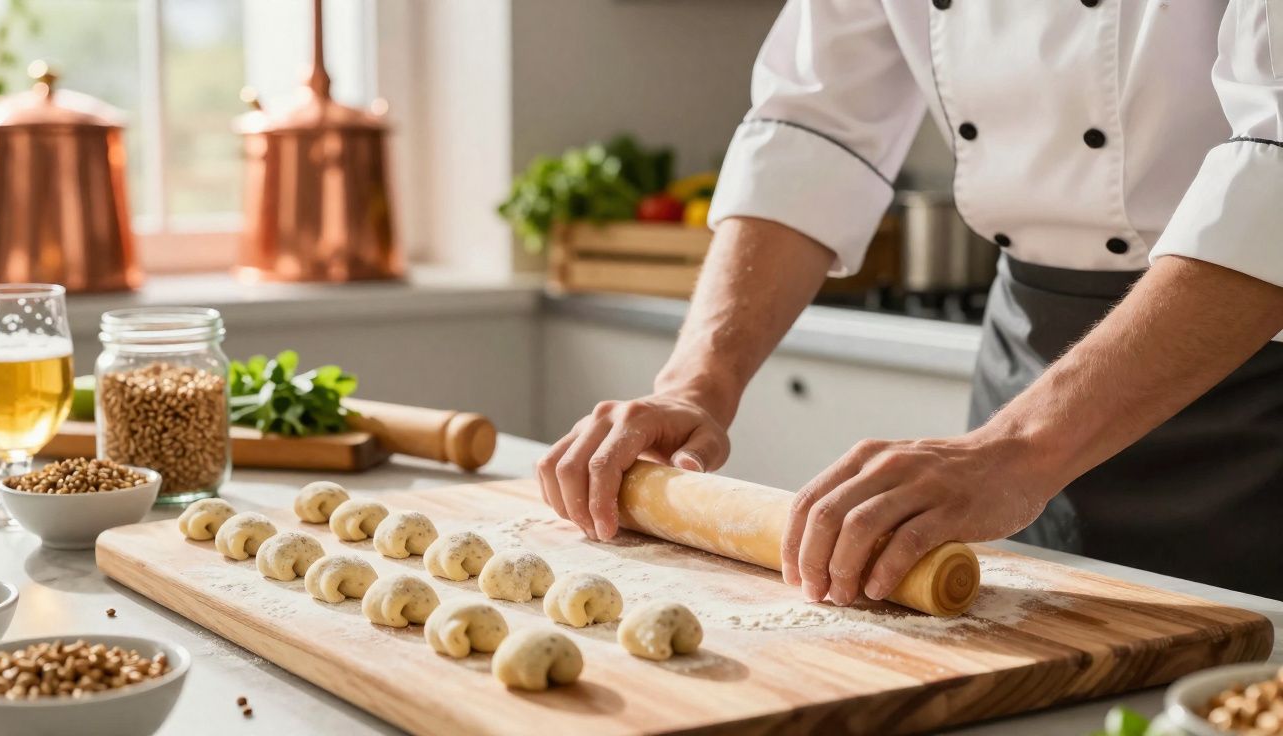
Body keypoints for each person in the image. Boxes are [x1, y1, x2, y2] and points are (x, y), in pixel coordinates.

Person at [537, 1, 1283, 602]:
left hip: (1250, 385)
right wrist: (695, 385)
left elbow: (1272, 176)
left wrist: (1018, 449)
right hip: (1028, 367)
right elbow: (813, 126)